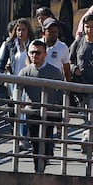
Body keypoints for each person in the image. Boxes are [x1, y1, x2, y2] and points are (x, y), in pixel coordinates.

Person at [15, 39, 66, 172]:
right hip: (32, 112)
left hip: (49, 112)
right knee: (35, 142)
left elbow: (62, 91)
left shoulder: (54, 72)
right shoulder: (25, 72)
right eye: (32, 53)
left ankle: (47, 153)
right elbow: (18, 90)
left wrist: (60, 108)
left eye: (38, 53)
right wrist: (18, 105)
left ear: (45, 54)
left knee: (46, 138)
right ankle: (38, 169)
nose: (34, 55)